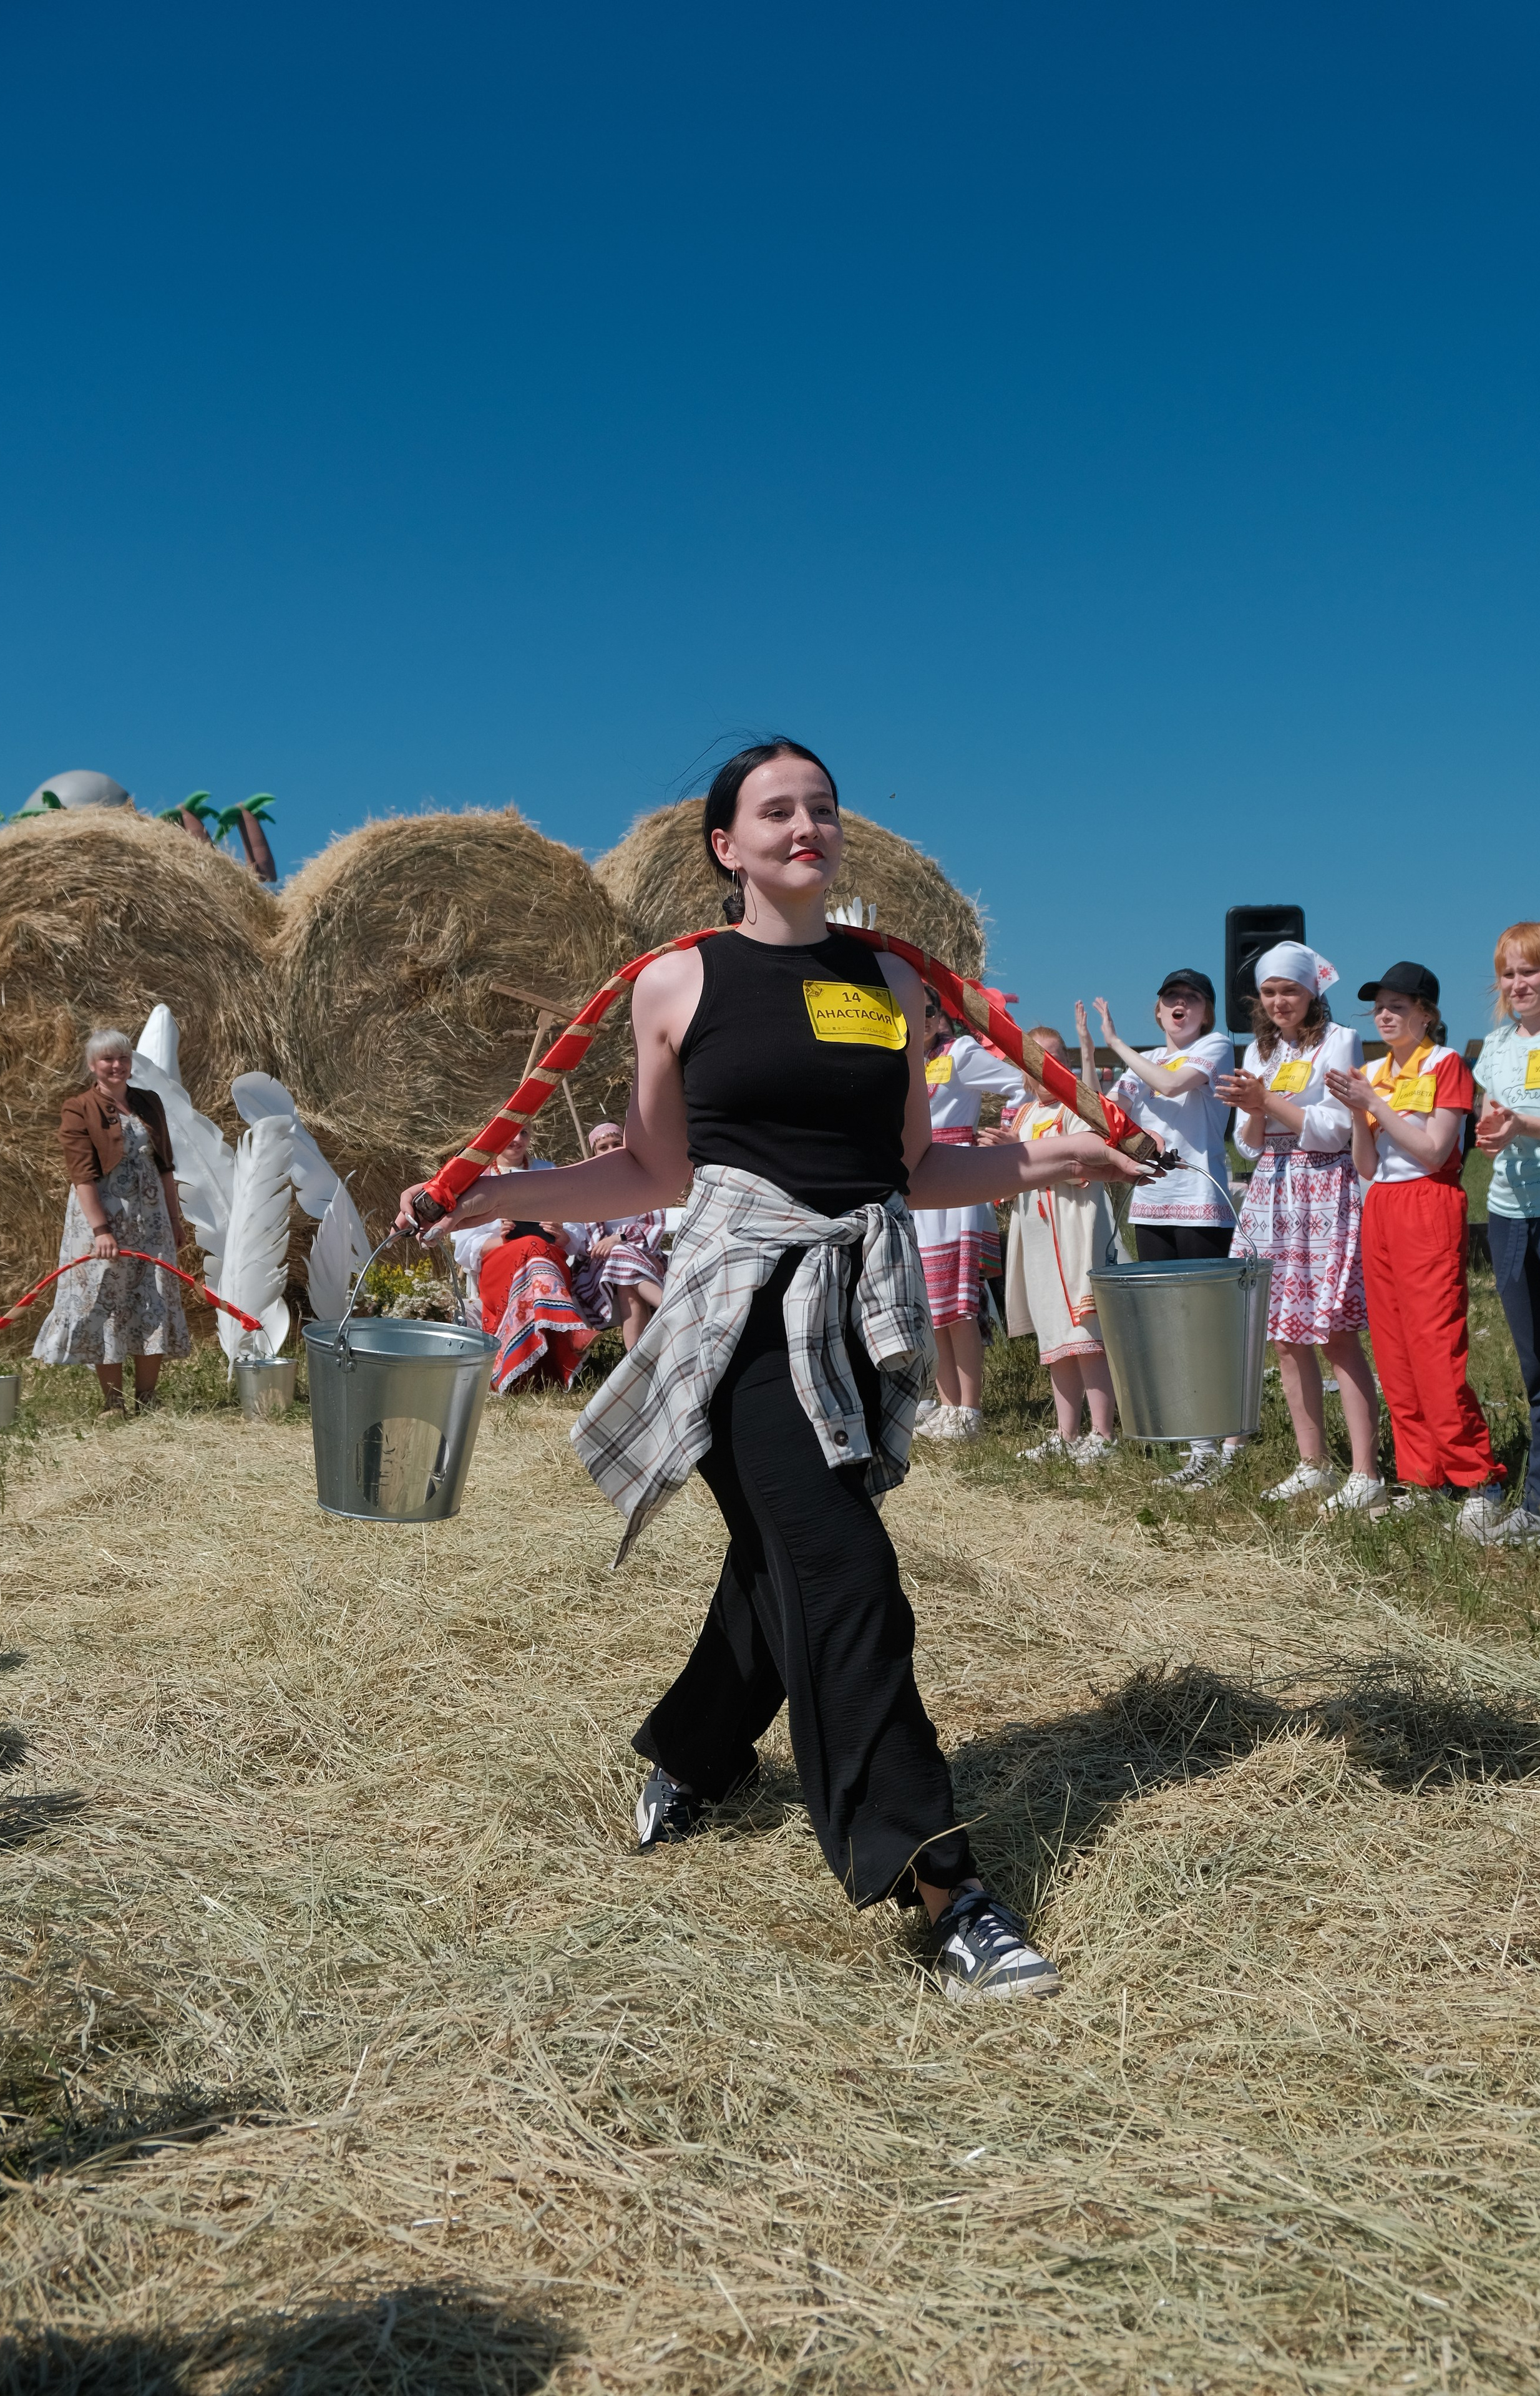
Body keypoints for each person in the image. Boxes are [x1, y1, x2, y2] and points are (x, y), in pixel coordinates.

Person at [398, 738, 1149, 2003]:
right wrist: (489, 1192)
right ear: (724, 846)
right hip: (742, 1309)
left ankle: (691, 1755)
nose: (808, 825)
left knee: (785, 1558)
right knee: (845, 1568)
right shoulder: (676, 984)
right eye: (776, 810)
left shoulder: (890, 983)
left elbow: (911, 1170)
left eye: (823, 807)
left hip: (859, 1303)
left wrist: (1048, 1162)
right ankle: (936, 1880)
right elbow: (648, 1173)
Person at [1324, 962, 1504, 1536]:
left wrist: (1373, 1105)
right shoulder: (1371, 1071)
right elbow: (1366, 1165)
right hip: (1381, 1205)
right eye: (1379, 1005)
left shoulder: (1445, 1064)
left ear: (1427, 1013)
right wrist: (1359, 1113)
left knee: (1435, 1346)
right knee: (1396, 1351)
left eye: (1399, 1005)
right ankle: (1422, 1475)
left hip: (1429, 1201)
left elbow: (1433, 1149)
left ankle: (1479, 1478)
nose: (1386, 1014)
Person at [1215, 945, 1383, 1509]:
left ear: (1312, 991)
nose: (1280, 1001)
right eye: (1269, 992)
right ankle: (1313, 1462)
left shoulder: (1339, 1041)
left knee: (1335, 1333)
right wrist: (1257, 1109)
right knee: (1285, 1338)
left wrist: (1268, 1101)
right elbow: (1245, 1138)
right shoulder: (1259, 1049)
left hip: (1322, 1186)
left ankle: (1365, 1472)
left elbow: (1338, 1128)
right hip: (1272, 1188)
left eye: (1290, 989)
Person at [1094, 969, 1245, 1489]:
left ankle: (1226, 1437)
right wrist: (1096, 1056)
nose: (1180, 1005)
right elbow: (1111, 1115)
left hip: (1200, 1201)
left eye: (1191, 999)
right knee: (1167, 1323)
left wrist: (1116, 1043)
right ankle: (1197, 1444)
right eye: (1170, 999)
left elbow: (1173, 1084)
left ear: (1206, 1012)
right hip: (1152, 1203)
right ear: (1158, 1012)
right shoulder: (1148, 1060)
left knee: (1205, 1322)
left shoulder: (1217, 1046)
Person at [33, 1028, 190, 1416]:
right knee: (108, 1303)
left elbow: (166, 1166)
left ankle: (148, 1399)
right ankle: (114, 1402)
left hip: (151, 1220)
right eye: (107, 1060)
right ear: (93, 1066)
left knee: (153, 1299)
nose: (116, 1065)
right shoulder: (78, 1108)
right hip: (105, 1220)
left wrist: (174, 1219)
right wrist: (101, 1230)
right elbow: (82, 1176)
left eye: (122, 1058)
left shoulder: (149, 1102)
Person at [997, 1026, 1118, 1465]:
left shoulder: (1078, 1108)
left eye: (1051, 1058)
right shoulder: (1024, 1114)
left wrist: (1023, 1154)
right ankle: (1067, 1433)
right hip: (1038, 1232)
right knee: (1054, 1332)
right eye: (1033, 1060)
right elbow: (1013, 1176)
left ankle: (1103, 1434)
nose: (1043, 1068)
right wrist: (1002, 1160)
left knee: (1084, 1331)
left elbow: (1087, 1164)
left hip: (1074, 1227)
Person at [912, 990, 1028, 1441]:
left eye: (926, 1012)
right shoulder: (905, 1061)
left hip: (957, 1177)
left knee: (959, 1306)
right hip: (921, 1182)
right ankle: (947, 1406)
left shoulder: (959, 1053)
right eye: (908, 1012)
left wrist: (1010, 1133)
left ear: (941, 1017)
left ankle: (970, 1410)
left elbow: (1018, 1083)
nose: (917, 1020)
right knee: (933, 1304)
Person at [1473, 923, 1540, 1546]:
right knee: (1535, 1365)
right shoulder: (1495, 1045)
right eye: (1509, 972)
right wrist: (1495, 1125)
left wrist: (1522, 1122)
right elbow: (1488, 1115)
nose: (1517, 983)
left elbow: (1523, 1119)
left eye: (1530, 970)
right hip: (1507, 1212)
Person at [449, 1129, 595, 1393]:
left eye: (523, 1133)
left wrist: (561, 1234)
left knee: (535, 1246)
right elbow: (464, 1247)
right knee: (532, 1246)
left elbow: (577, 1230)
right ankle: (570, 1331)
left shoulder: (548, 1172)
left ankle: (530, 1369)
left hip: (547, 1256)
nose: (516, 1139)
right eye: (509, 1134)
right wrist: (502, 1239)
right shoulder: (479, 1180)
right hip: (500, 1264)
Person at [567, 1121, 667, 1351]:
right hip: (597, 1271)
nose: (611, 1151)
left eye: (616, 1144)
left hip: (645, 1260)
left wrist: (618, 1239)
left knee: (626, 1282)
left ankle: (636, 1361)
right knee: (619, 1256)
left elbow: (651, 1226)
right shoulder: (588, 1189)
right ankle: (672, 1307)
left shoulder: (643, 1182)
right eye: (604, 1147)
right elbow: (594, 1246)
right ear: (594, 1153)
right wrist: (616, 1243)